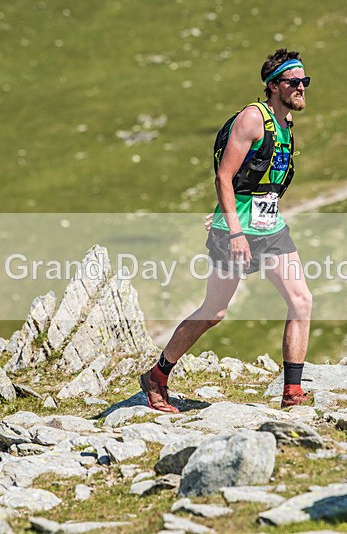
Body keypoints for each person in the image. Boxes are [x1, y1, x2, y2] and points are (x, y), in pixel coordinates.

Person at [140, 49, 313, 412]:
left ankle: (292, 393)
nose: (301, 88)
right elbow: (223, 175)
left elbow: (259, 182)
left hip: (270, 228)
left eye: (304, 82)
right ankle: (157, 376)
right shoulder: (253, 118)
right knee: (214, 311)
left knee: (301, 300)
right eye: (293, 82)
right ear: (273, 85)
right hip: (237, 232)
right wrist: (233, 229)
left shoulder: (285, 126)